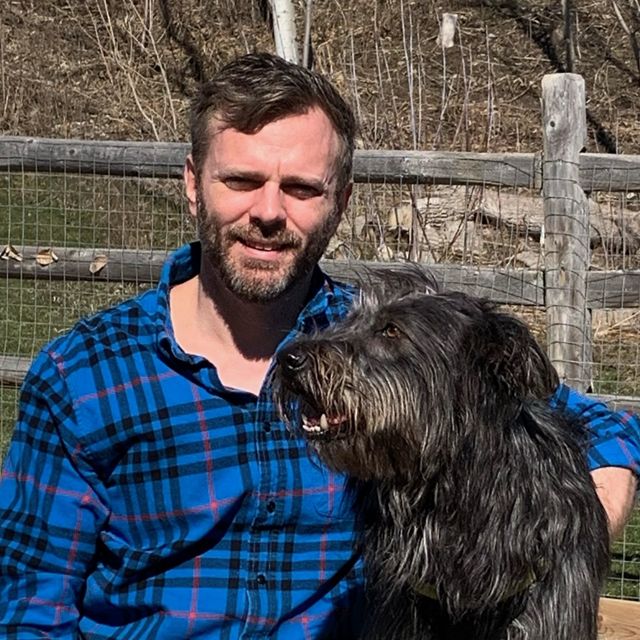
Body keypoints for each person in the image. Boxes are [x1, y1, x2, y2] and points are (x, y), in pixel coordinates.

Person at [0, 52, 638, 639]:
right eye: (241, 180)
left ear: (341, 201)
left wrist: (589, 517)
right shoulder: (84, 376)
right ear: (193, 183)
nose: (268, 212)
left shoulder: (389, 346)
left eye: (302, 188)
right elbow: (29, 609)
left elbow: (582, 420)